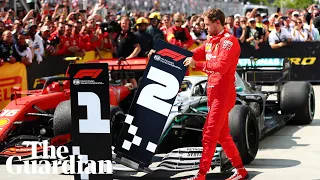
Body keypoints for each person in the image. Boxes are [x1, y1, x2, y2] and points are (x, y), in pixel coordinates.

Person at [182, 8, 248, 180]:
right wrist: (169, 53)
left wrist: (197, 65)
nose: (205, 28)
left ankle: (201, 175)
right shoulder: (211, 40)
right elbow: (196, 52)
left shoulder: (229, 41)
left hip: (224, 94)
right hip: (213, 93)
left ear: (217, 22)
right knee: (222, 135)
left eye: (207, 24)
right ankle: (241, 171)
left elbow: (221, 67)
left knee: (209, 134)